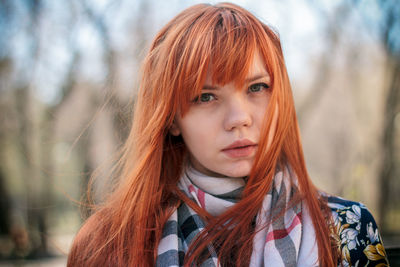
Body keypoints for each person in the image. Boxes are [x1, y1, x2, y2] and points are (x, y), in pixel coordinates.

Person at [67, 3, 388, 267]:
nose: (239, 119)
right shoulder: (107, 244)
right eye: (206, 96)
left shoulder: (347, 228)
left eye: (258, 87)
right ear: (171, 118)